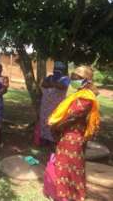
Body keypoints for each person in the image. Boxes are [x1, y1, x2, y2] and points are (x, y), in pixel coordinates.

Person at [48, 66, 100, 201]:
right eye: (72, 76)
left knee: (72, 167)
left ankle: (73, 196)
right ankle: (63, 194)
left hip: (74, 137)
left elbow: (72, 117)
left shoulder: (86, 98)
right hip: (67, 135)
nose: (72, 80)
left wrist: (55, 127)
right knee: (64, 166)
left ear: (85, 80)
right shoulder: (78, 94)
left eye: (75, 78)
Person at [39, 61, 70, 145]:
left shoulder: (66, 79)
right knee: (44, 121)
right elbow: (44, 84)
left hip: (56, 106)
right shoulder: (49, 77)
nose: (56, 70)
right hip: (46, 105)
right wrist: (54, 84)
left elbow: (62, 86)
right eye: (55, 69)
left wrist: (51, 84)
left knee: (54, 122)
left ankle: (53, 141)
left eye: (59, 69)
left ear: (63, 70)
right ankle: (45, 139)